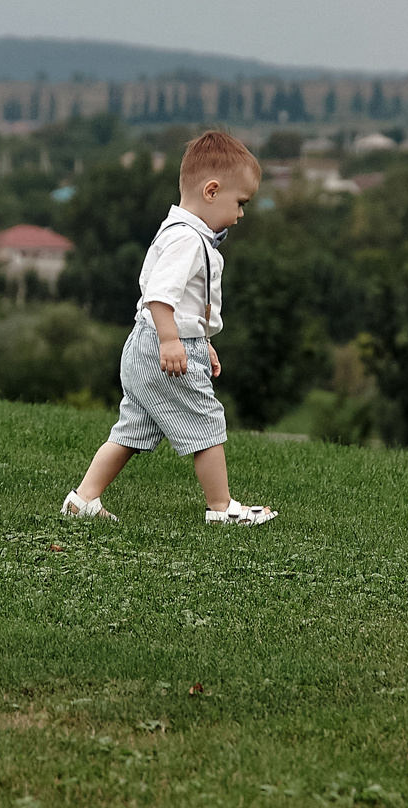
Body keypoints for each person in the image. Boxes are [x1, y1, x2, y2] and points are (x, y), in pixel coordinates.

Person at [60, 130, 279, 527]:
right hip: (163, 347)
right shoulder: (187, 240)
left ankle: (83, 499)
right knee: (207, 423)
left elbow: (188, 306)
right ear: (211, 191)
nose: (241, 214)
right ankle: (221, 508)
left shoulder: (183, 233)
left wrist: (202, 343)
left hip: (149, 345)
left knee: (131, 431)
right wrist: (172, 340)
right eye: (240, 203)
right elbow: (160, 296)